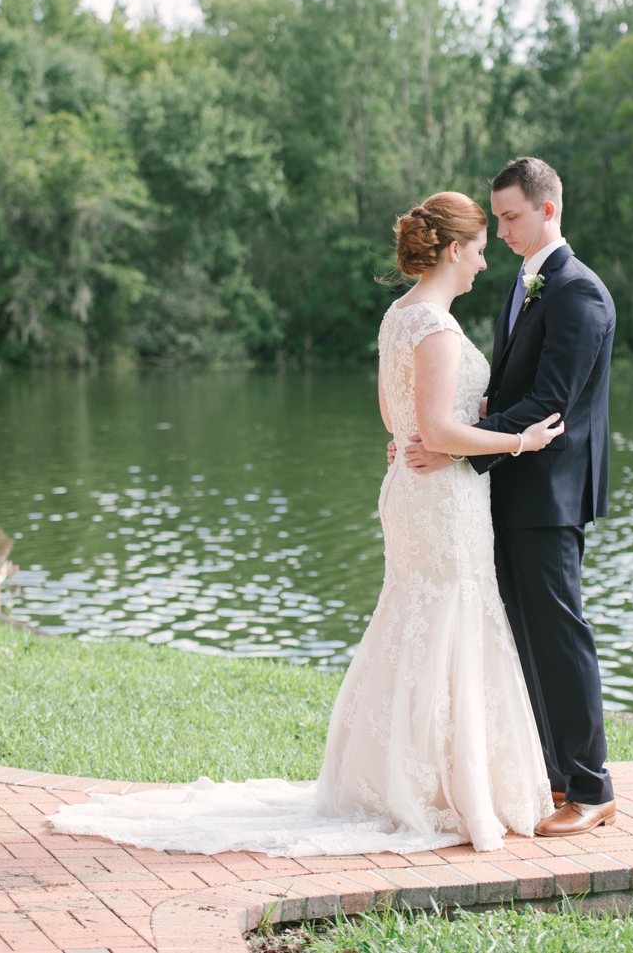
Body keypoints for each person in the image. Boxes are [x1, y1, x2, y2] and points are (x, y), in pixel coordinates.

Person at [50, 191, 562, 858]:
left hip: (413, 489)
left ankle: (415, 779)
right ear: (454, 249)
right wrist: (520, 441)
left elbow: (394, 417)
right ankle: (437, 790)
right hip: (440, 498)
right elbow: (435, 428)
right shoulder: (435, 327)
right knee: (446, 619)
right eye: (479, 249)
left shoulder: (398, 317)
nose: (484, 262)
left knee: (417, 620)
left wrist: (440, 430)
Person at [402, 159, 616, 837]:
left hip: (549, 496)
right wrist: (454, 433)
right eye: (496, 218)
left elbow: (548, 407)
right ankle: (554, 774)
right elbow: (506, 397)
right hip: (508, 489)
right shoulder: (524, 288)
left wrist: (455, 445)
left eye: (511, 216)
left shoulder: (579, 293)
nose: (500, 229)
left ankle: (592, 787)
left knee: (560, 634)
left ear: (548, 211)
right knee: (525, 637)